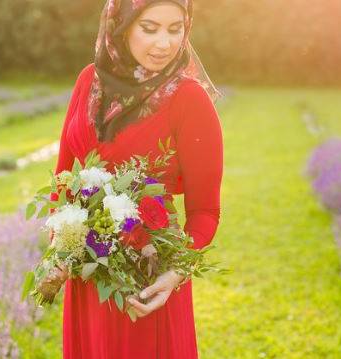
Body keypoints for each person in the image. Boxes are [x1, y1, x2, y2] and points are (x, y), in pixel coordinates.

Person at [48, 0, 223, 357]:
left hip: (147, 274)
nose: (164, 43)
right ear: (122, 25)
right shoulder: (88, 81)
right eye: (150, 28)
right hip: (89, 274)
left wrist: (174, 274)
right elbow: (64, 178)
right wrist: (59, 252)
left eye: (175, 29)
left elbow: (206, 211)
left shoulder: (189, 99)